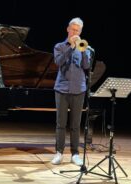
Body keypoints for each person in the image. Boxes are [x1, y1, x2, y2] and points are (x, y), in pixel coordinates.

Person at [51, 17, 92, 166]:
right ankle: (59, 153)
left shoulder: (84, 47)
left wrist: (82, 50)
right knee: (60, 124)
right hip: (62, 89)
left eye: (77, 30)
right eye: (72, 29)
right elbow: (58, 62)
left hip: (79, 89)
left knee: (75, 124)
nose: (74, 32)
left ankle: (75, 154)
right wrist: (71, 47)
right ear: (67, 29)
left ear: (80, 32)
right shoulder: (59, 46)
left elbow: (86, 66)